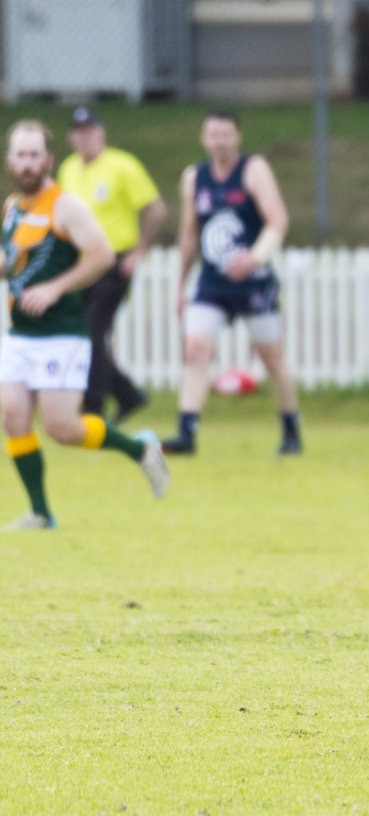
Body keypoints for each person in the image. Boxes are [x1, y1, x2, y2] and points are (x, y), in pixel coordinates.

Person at [1, 120, 169, 529]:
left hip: (62, 333)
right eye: (20, 155)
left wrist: (56, 288)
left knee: (62, 428)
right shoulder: (12, 207)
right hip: (20, 333)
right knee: (12, 417)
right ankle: (41, 513)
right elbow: (13, 262)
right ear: (10, 160)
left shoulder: (65, 206)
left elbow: (101, 256)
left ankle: (139, 448)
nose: (27, 164)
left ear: (48, 160)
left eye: (34, 155)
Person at [162, 110, 300, 456]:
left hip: (254, 281)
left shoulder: (254, 170)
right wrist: (179, 286)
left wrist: (254, 258)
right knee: (195, 349)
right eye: (213, 134)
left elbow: (278, 221)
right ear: (204, 138)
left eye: (226, 134)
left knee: (271, 355)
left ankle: (290, 428)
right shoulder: (194, 178)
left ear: (237, 136)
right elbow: (188, 234)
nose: (220, 141)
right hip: (212, 281)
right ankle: (186, 432)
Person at [56, 106, 166, 425]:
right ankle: (127, 393)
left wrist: (138, 251)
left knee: (92, 330)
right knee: (84, 332)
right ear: (71, 137)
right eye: (78, 131)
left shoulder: (122, 166)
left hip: (113, 261)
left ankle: (93, 407)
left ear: (101, 132)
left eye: (90, 129)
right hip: (82, 263)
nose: (84, 136)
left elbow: (155, 209)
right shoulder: (69, 169)